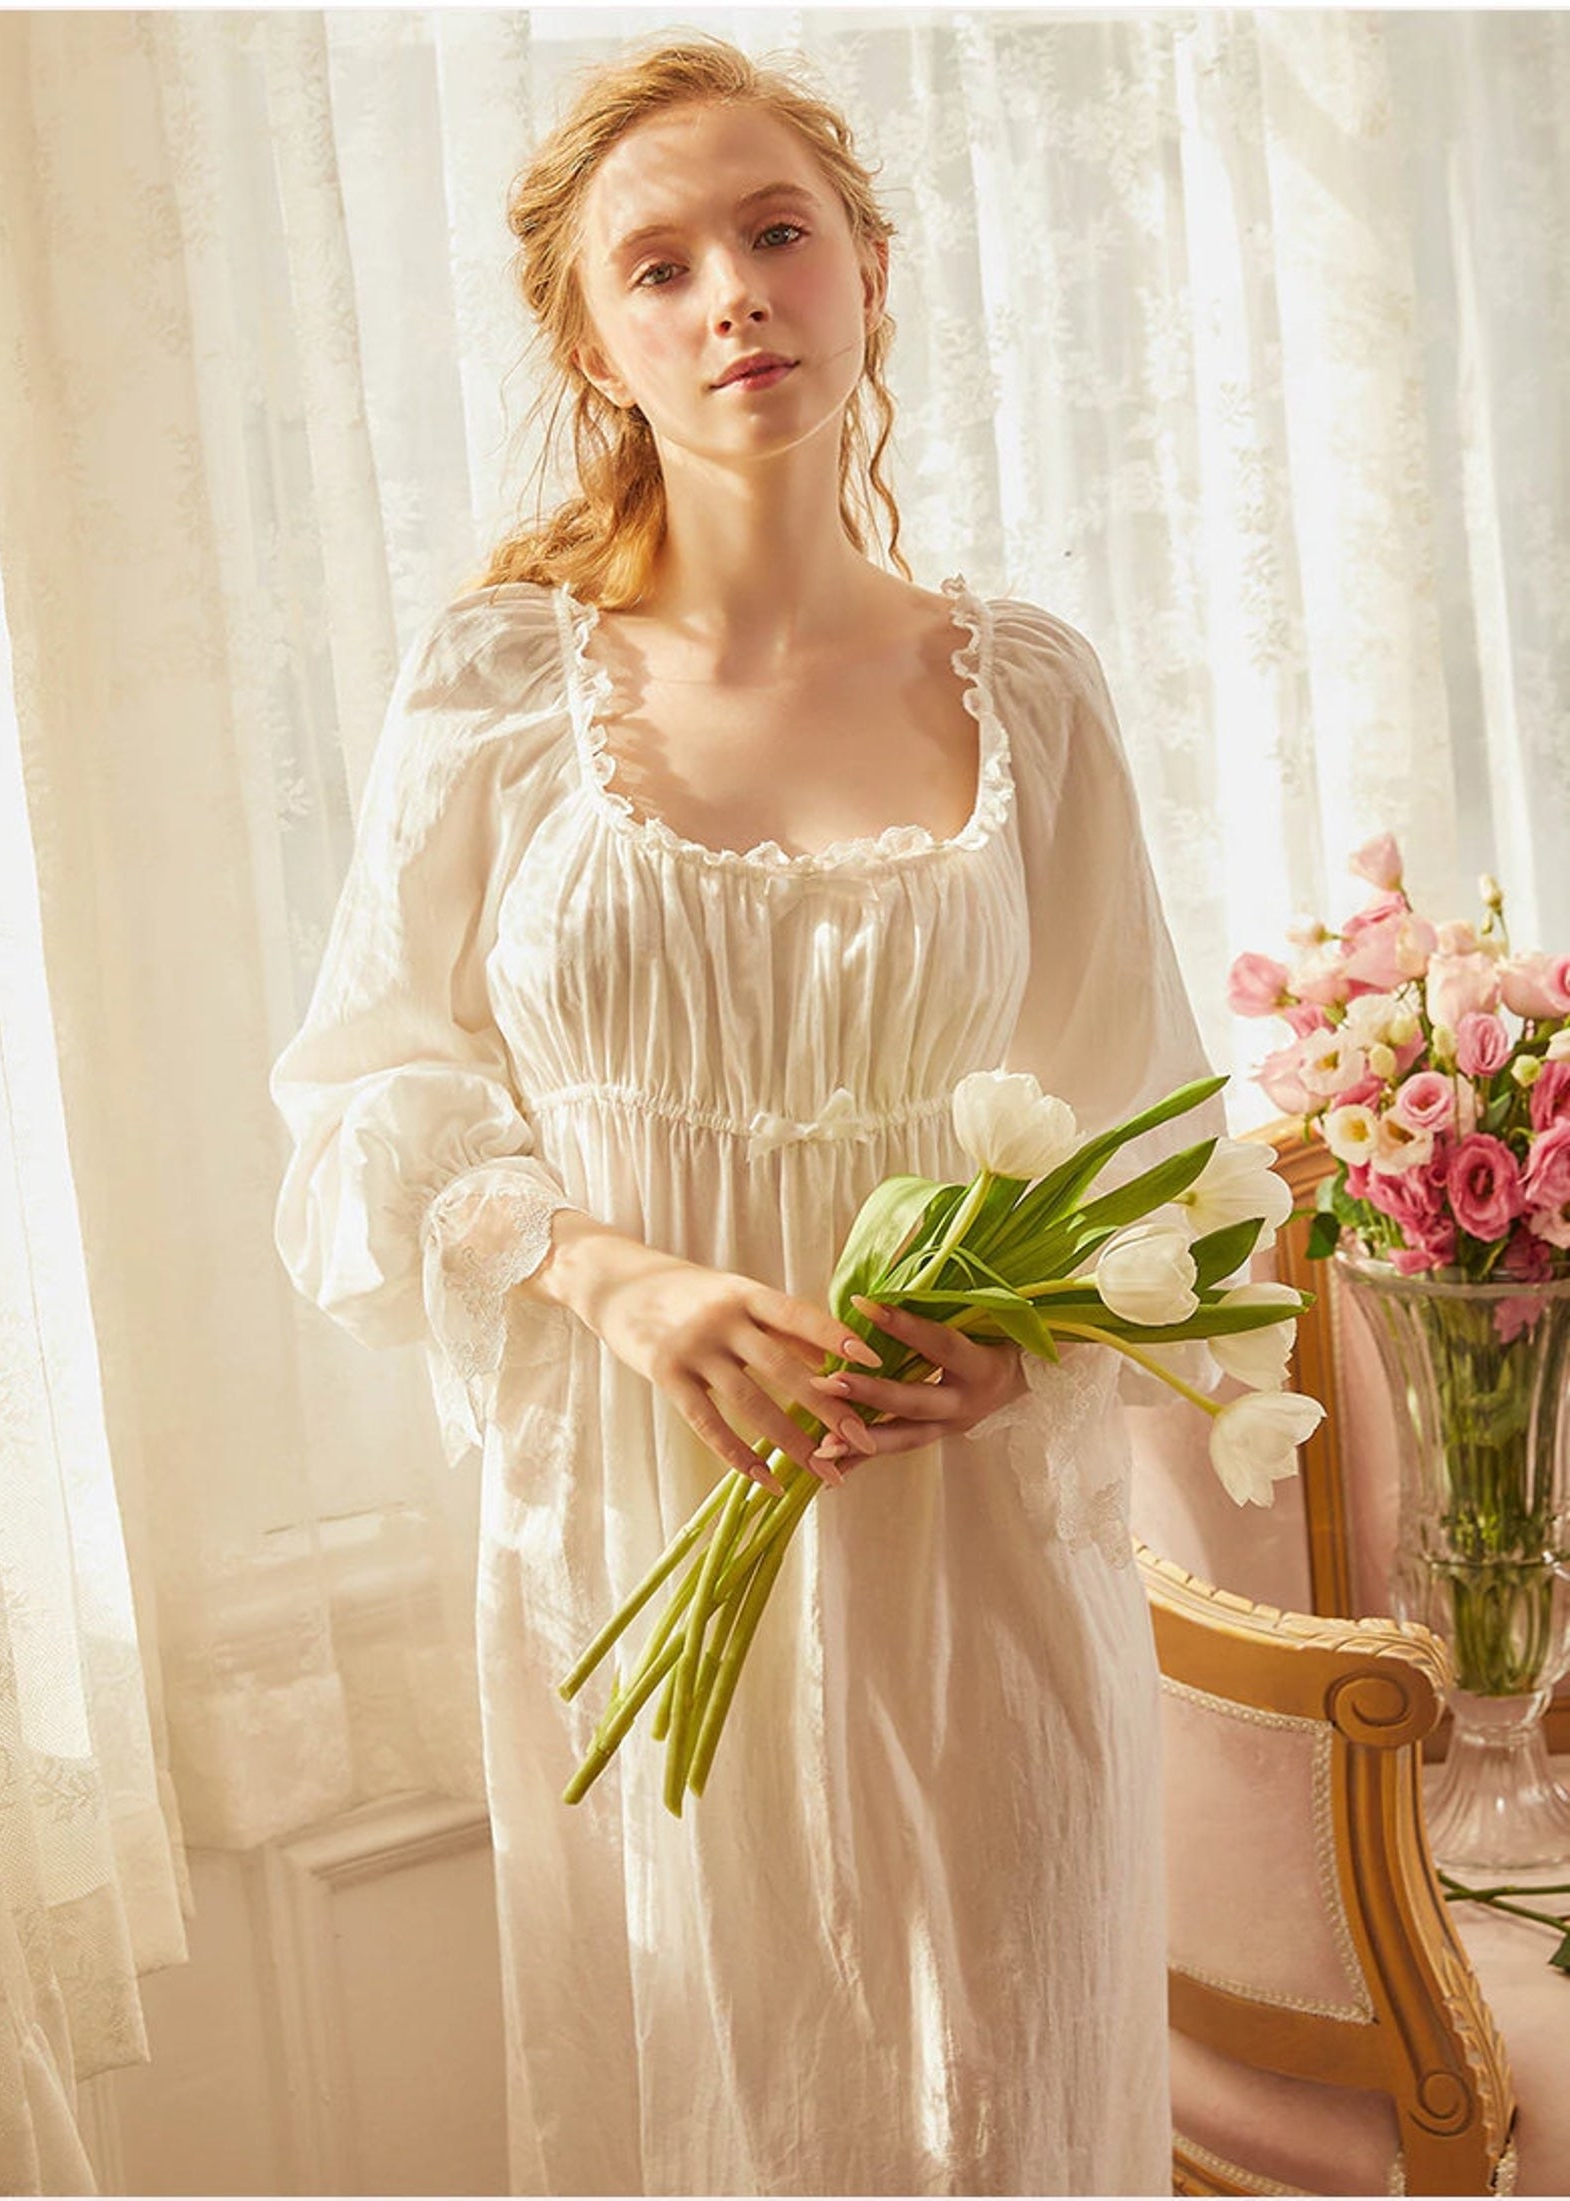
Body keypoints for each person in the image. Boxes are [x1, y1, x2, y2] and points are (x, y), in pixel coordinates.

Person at [270, 30, 1217, 2197]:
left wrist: (1027, 1329)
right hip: (630, 1539)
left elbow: (1138, 1129)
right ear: (592, 344)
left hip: (979, 1574)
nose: (733, 297)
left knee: (1001, 2104)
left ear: (868, 268)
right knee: (700, 2105)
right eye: (662, 266)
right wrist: (605, 1277)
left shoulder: (1028, 691)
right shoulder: (498, 693)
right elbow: (356, 1109)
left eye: (775, 233)